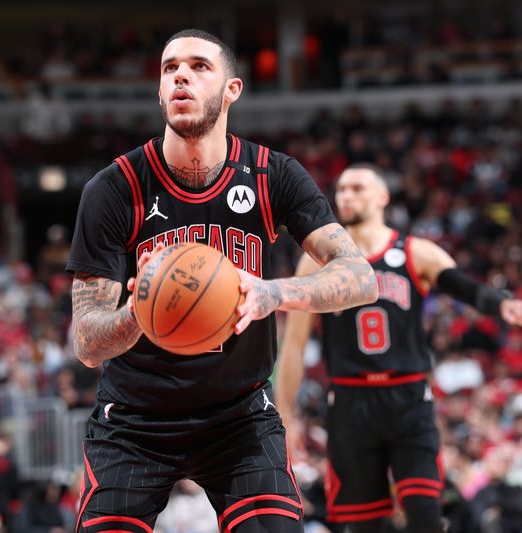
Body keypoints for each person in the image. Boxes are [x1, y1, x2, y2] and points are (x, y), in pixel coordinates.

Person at [66, 29, 378, 533]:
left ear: (232, 89)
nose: (181, 77)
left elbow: (361, 277)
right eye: (170, 69)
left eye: (198, 66)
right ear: (160, 91)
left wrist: (270, 292)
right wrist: (141, 312)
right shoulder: (114, 188)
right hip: (132, 420)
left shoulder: (272, 175)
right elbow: (86, 342)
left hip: (239, 415)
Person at [275, 164, 522, 532]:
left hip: (408, 396)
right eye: (342, 189)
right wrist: (285, 414)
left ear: (382, 197)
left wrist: (501, 305)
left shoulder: (415, 252)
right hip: (351, 402)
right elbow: (294, 345)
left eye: (357, 188)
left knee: (425, 513)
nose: (346, 195)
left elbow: (465, 286)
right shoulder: (316, 260)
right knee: (363, 525)